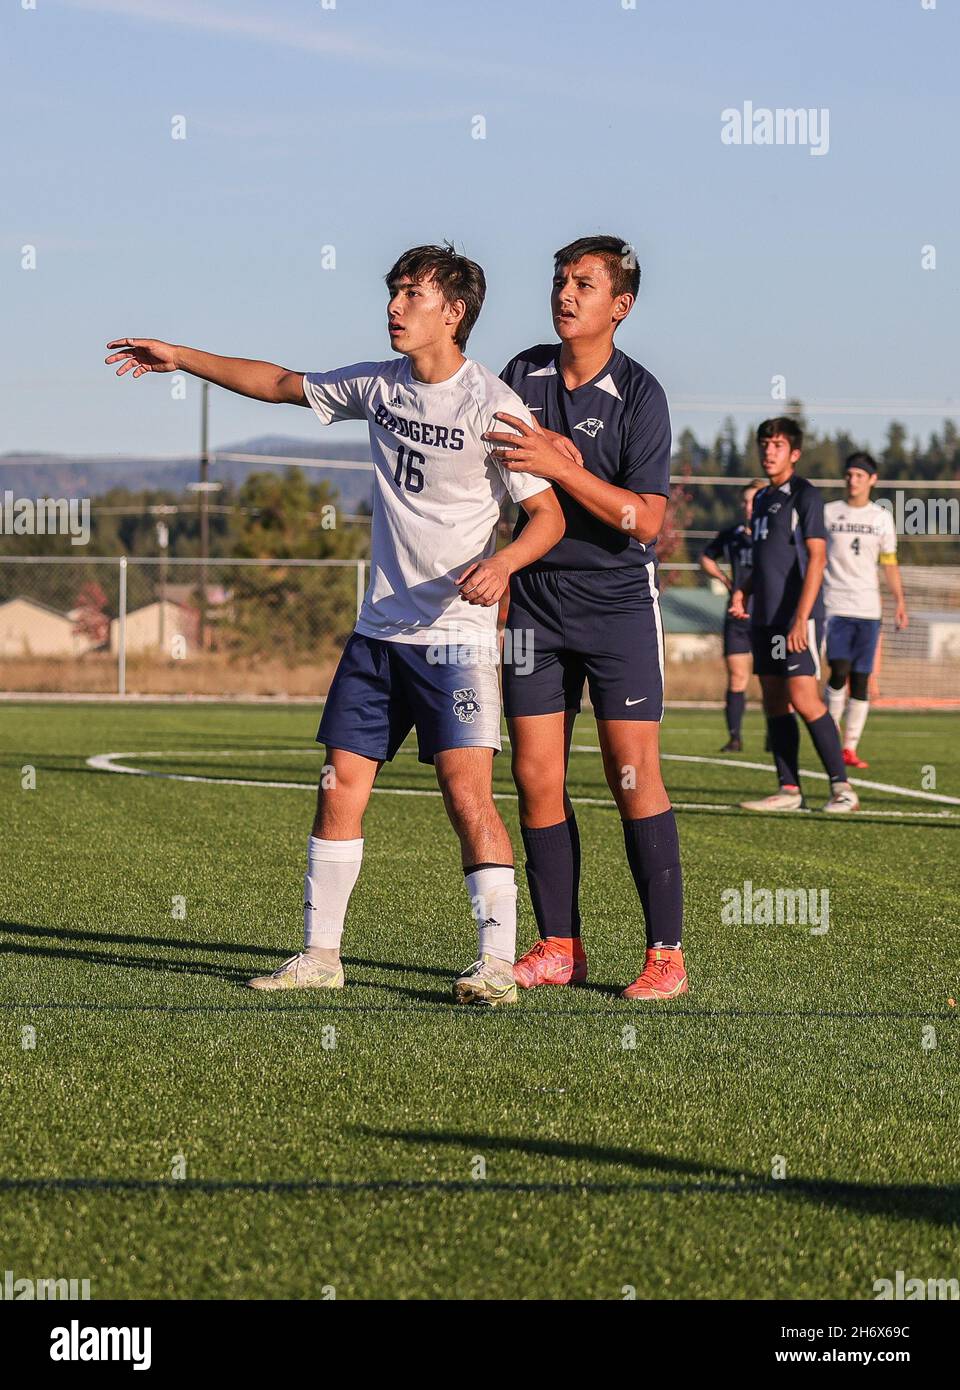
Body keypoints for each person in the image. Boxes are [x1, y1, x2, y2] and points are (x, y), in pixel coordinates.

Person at [105, 244, 566, 1006]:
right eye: (392, 291)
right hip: (378, 633)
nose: (393, 305)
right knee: (338, 785)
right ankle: (322, 954)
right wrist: (180, 357)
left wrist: (506, 563)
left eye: (411, 293)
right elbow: (282, 384)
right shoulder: (379, 386)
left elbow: (545, 516)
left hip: (454, 637)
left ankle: (494, 961)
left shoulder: (495, 404)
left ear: (453, 312)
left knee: (467, 796)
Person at [483, 234, 686, 1001]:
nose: (565, 294)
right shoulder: (520, 374)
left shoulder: (642, 395)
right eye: (560, 280)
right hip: (535, 600)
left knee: (632, 778)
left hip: (617, 605)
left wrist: (567, 466)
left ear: (620, 306)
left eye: (585, 284)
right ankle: (559, 946)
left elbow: (645, 522)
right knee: (537, 777)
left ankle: (665, 955)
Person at [730, 418, 859, 813]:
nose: (769, 451)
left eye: (779, 445)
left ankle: (842, 788)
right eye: (765, 444)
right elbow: (766, 559)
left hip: (797, 618)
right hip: (765, 618)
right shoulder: (764, 499)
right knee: (773, 701)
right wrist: (743, 589)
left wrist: (801, 618)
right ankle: (789, 790)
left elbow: (817, 558)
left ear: (795, 453)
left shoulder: (806, 495)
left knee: (804, 698)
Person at [823, 452, 908, 768]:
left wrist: (900, 601)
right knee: (839, 671)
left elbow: (889, 564)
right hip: (835, 606)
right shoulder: (828, 514)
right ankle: (828, 739)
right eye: (849, 474)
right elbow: (813, 556)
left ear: (872, 480)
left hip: (868, 609)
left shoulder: (881, 518)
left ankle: (849, 748)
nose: (853, 480)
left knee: (860, 678)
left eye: (860, 475)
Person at [700, 480, 763, 751]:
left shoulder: (774, 535)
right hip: (737, 615)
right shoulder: (733, 534)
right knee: (737, 676)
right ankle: (735, 737)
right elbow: (705, 557)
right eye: (745, 501)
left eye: (754, 501)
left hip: (767, 615)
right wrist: (726, 581)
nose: (749, 507)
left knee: (774, 680)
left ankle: (776, 735)